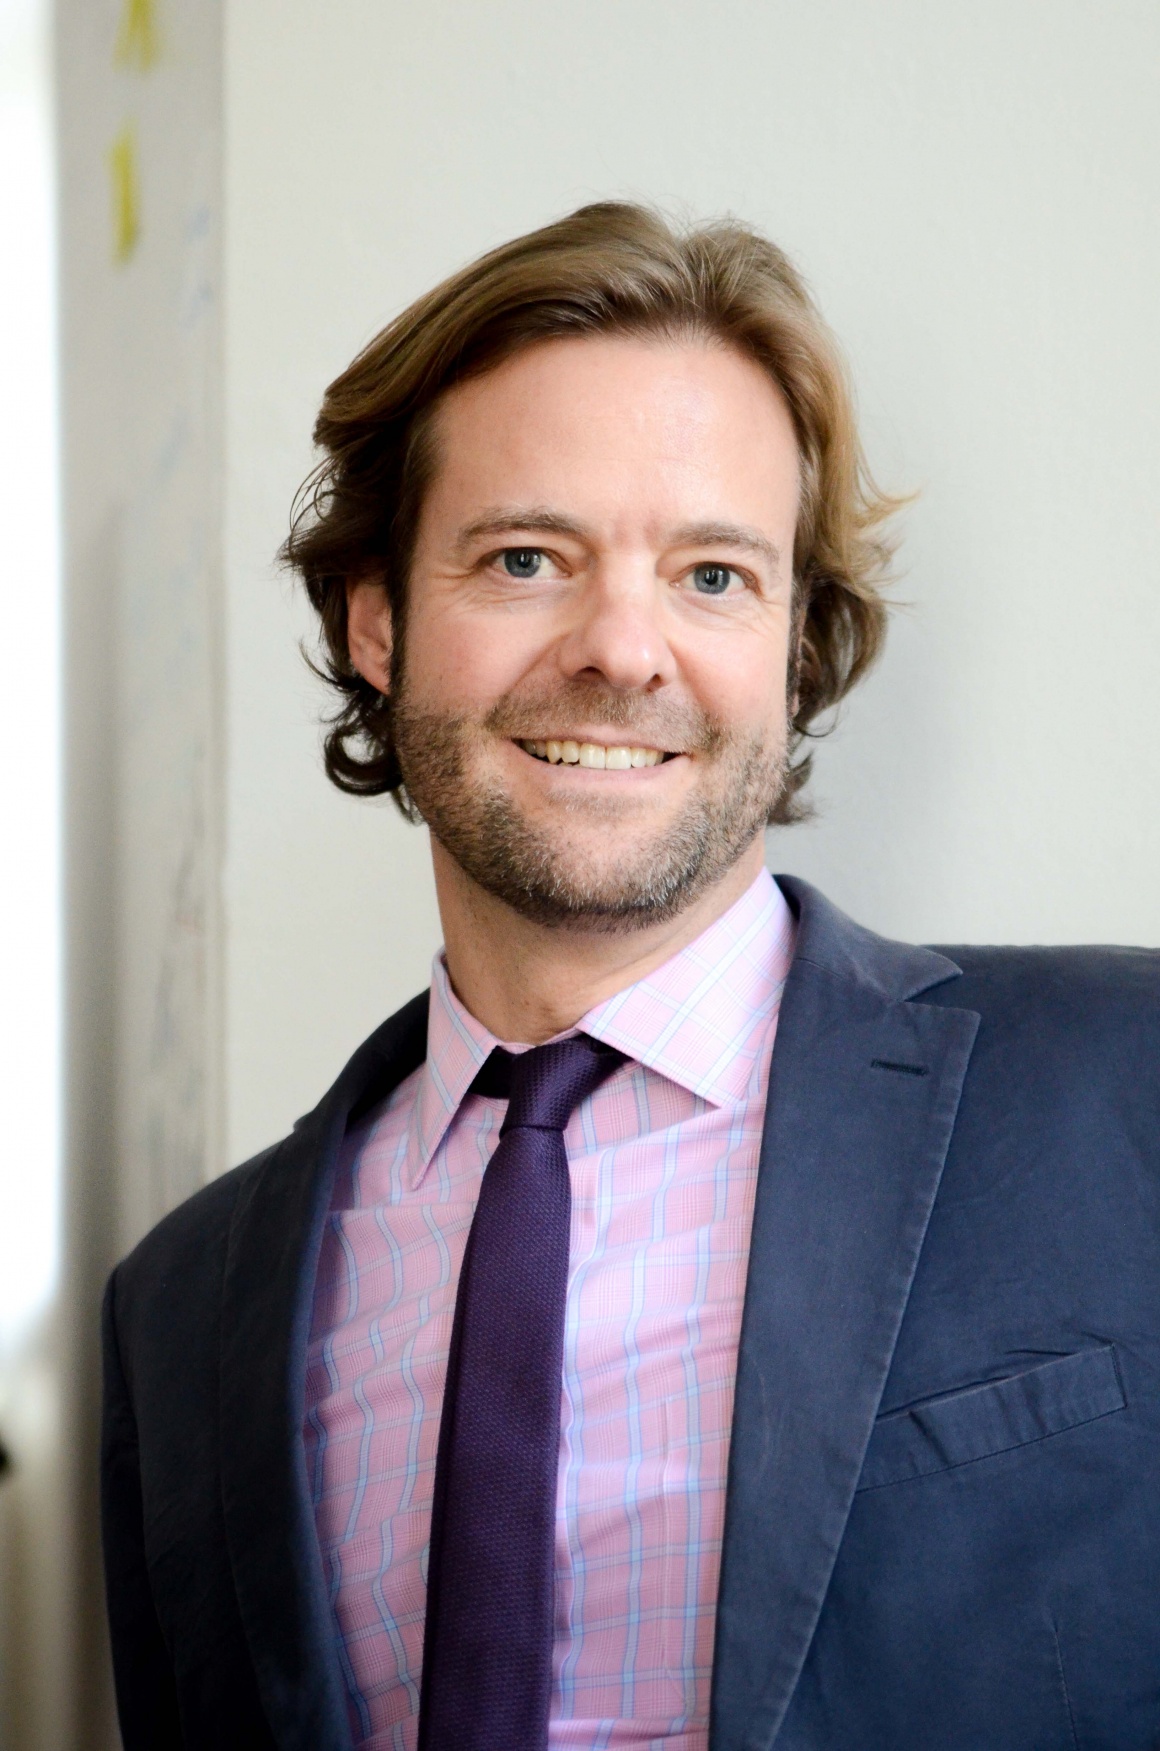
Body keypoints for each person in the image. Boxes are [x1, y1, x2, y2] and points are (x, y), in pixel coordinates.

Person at [100, 203, 1160, 1751]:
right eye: (527, 557)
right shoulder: (178, 1319)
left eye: (713, 576)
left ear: (798, 645)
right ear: (378, 620)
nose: (623, 649)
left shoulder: (1125, 1096)